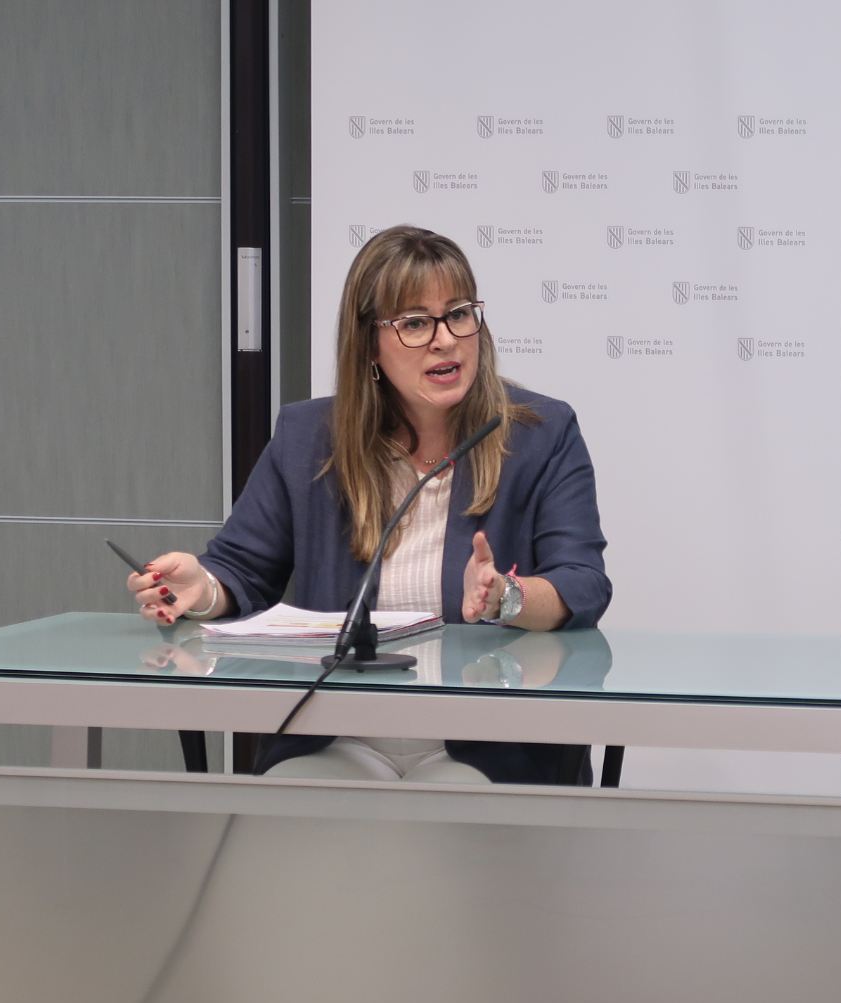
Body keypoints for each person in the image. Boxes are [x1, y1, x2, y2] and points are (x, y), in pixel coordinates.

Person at [124, 225, 611, 784]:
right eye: (414, 324)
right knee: (288, 824)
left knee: (450, 834)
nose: (446, 339)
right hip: (339, 734)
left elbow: (583, 583)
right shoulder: (308, 437)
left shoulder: (541, 434)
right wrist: (201, 590)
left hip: (483, 745)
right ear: (370, 346)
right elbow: (242, 569)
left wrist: (508, 597)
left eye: (458, 314)